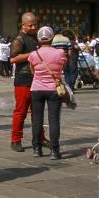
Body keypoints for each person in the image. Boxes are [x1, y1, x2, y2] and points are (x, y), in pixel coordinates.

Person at [10, 12, 47, 152]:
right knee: (21, 111)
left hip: (37, 79)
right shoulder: (19, 39)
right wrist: (32, 55)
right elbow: (12, 59)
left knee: (37, 112)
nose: (33, 27)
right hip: (23, 80)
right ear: (23, 25)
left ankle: (40, 138)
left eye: (35, 24)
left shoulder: (37, 38)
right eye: (30, 25)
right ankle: (15, 140)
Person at [28, 26, 66, 160]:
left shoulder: (33, 54)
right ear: (52, 38)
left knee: (37, 120)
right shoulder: (60, 53)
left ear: (38, 38)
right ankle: (54, 151)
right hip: (53, 90)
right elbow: (62, 68)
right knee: (54, 120)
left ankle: (37, 148)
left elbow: (32, 70)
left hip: (37, 89)